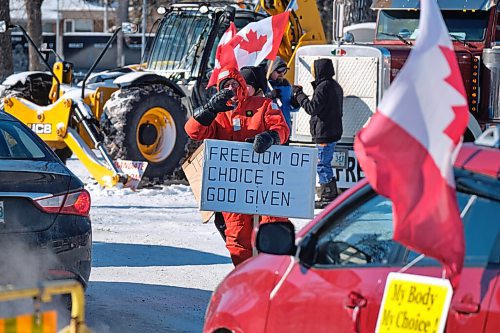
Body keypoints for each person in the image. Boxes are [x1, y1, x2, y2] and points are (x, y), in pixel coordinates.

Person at [185, 66, 291, 266]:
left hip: (266, 185)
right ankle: (245, 281)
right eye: (226, 85)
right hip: (232, 189)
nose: (231, 88)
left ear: (242, 85)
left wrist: (271, 137)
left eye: (235, 83)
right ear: (220, 89)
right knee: (237, 237)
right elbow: (193, 132)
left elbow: (282, 128)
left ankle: (274, 281)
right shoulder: (218, 115)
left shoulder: (263, 105)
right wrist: (209, 109)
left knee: (275, 231)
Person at [292, 58, 343, 209]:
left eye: (315, 70)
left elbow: (312, 108)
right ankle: (330, 193)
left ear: (319, 71)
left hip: (325, 132)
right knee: (324, 162)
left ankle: (327, 195)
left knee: (322, 164)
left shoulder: (323, 87)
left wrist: (299, 94)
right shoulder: (334, 85)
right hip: (331, 131)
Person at [266, 57, 300, 134]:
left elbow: (287, 107)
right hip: (270, 128)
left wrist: (295, 104)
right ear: (271, 71)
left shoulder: (286, 84)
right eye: (279, 71)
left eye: (284, 71)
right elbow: (256, 104)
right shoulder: (265, 85)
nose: (282, 74)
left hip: (285, 128)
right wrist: (268, 96)